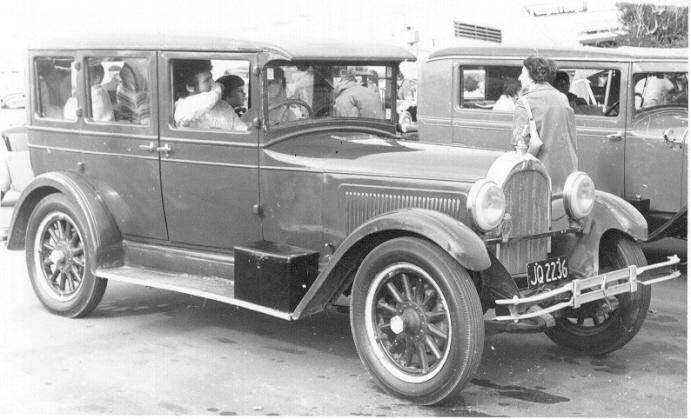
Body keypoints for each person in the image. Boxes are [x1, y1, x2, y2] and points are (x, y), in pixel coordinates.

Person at [512, 56, 578, 192]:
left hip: (539, 177)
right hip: (566, 177)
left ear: (532, 76)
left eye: (523, 73)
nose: (519, 77)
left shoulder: (524, 103)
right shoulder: (562, 98)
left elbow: (520, 146)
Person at [173, 60, 247, 131]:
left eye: (211, 78)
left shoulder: (223, 106)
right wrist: (218, 88)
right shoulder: (184, 107)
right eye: (207, 80)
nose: (213, 83)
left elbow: (241, 128)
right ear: (190, 87)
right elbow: (210, 99)